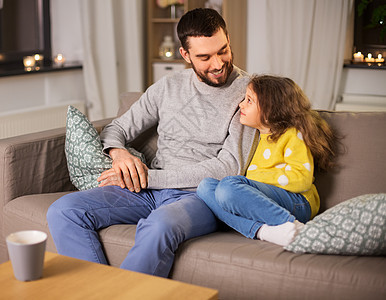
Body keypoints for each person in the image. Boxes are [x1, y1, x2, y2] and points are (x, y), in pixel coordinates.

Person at [46, 8, 257, 277]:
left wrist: (149, 178)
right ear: (185, 55)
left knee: (159, 225)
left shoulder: (249, 93)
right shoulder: (168, 87)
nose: (217, 64)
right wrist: (118, 152)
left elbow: (229, 167)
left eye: (223, 50)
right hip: (145, 191)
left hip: (200, 197)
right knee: (63, 211)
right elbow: (117, 127)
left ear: (228, 38)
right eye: (204, 57)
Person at [196, 75, 337, 247]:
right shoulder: (254, 137)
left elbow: (302, 179)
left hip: (298, 202)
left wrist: (250, 182)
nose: (241, 104)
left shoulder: (292, 134)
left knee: (228, 187)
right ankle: (264, 231)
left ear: (270, 109)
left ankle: (297, 228)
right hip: (264, 201)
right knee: (205, 186)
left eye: (249, 101)